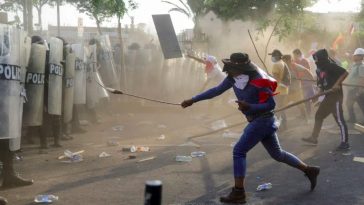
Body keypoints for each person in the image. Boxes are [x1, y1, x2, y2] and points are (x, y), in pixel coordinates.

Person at [181, 52, 320, 204]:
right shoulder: (233, 77)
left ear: (242, 68)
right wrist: (193, 100)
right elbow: (216, 91)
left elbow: (271, 105)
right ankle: (309, 170)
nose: (228, 71)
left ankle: (239, 193)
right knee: (278, 154)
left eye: (231, 68)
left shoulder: (258, 80)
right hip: (258, 121)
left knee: (239, 150)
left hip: (263, 120)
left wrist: (250, 106)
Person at [302, 49, 349, 151]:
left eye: (317, 59)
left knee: (339, 120)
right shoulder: (318, 69)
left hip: (336, 97)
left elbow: (345, 72)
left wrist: (336, 85)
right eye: (314, 60)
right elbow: (321, 86)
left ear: (322, 58)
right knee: (318, 115)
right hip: (327, 97)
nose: (315, 62)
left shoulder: (331, 66)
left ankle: (345, 143)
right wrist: (317, 96)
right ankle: (314, 138)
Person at [282, 55, 310, 121]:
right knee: (281, 107)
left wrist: (311, 80)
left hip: (296, 91)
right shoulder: (282, 68)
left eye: (284, 60)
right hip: (287, 92)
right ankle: (283, 123)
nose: (282, 62)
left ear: (288, 60)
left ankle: (306, 120)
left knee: (301, 107)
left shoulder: (295, 66)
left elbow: (306, 70)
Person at [269, 49, 290, 130]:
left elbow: (276, 79)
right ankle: (284, 125)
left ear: (276, 56)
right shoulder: (283, 63)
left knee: (278, 109)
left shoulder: (276, 65)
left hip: (278, 90)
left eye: (273, 55)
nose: (272, 57)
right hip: (284, 90)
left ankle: (278, 126)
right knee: (281, 108)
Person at [293, 49, 316, 115]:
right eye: (293, 55)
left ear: (299, 54)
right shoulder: (295, 62)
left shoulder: (304, 61)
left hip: (306, 82)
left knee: (306, 98)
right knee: (302, 98)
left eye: (295, 55)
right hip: (300, 83)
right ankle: (305, 113)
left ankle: (308, 113)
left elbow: (307, 70)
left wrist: (300, 76)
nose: (294, 56)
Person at [345, 48, 364, 123]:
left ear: (360, 56)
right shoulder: (354, 65)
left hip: (357, 89)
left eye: (355, 55)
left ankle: (353, 118)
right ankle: (352, 118)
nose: (353, 57)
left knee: (362, 105)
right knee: (348, 103)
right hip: (351, 89)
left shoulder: (361, 66)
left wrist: (360, 90)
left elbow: (362, 78)